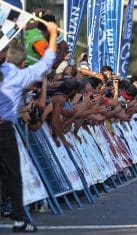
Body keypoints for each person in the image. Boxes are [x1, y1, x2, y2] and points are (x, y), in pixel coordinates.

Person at [0, 21, 58, 233]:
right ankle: (19, 220)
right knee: (13, 175)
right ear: (22, 62)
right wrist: (52, 34)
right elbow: (47, 62)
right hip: (3, 130)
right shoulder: (17, 75)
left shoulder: (7, 71)